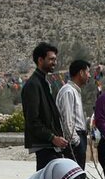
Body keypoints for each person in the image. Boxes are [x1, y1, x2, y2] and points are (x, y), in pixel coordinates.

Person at [21, 42, 70, 171]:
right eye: (51, 59)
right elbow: (33, 120)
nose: (54, 62)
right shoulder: (33, 85)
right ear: (40, 60)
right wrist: (52, 138)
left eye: (55, 59)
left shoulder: (43, 82)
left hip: (51, 146)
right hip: (45, 146)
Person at [56, 60, 91, 167]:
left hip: (79, 138)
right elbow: (67, 120)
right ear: (81, 73)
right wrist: (76, 142)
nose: (89, 75)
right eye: (88, 72)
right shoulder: (68, 91)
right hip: (74, 142)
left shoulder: (75, 91)